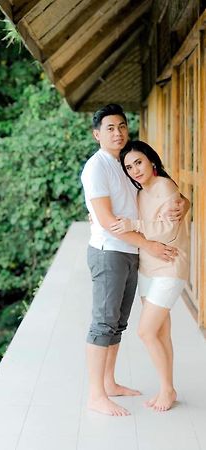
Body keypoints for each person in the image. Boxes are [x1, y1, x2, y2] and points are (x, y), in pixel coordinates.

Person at [80, 104, 184, 416]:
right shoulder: (96, 167)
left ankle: (109, 383)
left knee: (117, 323)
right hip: (108, 252)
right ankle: (96, 394)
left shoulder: (126, 165)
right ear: (97, 134)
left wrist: (184, 203)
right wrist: (149, 245)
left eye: (122, 126)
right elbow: (109, 220)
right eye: (110, 128)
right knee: (103, 323)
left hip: (128, 254)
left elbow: (160, 191)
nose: (118, 132)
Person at [109, 140, 189, 412]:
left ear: (151, 160)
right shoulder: (140, 193)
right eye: (129, 166)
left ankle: (167, 389)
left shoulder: (166, 187)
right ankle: (168, 387)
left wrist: (136, 225)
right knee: (161, 332)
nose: (134, 170)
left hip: (170, 267)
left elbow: (167, 232)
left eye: (138, 162)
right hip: (147, 268)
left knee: (145, 331)